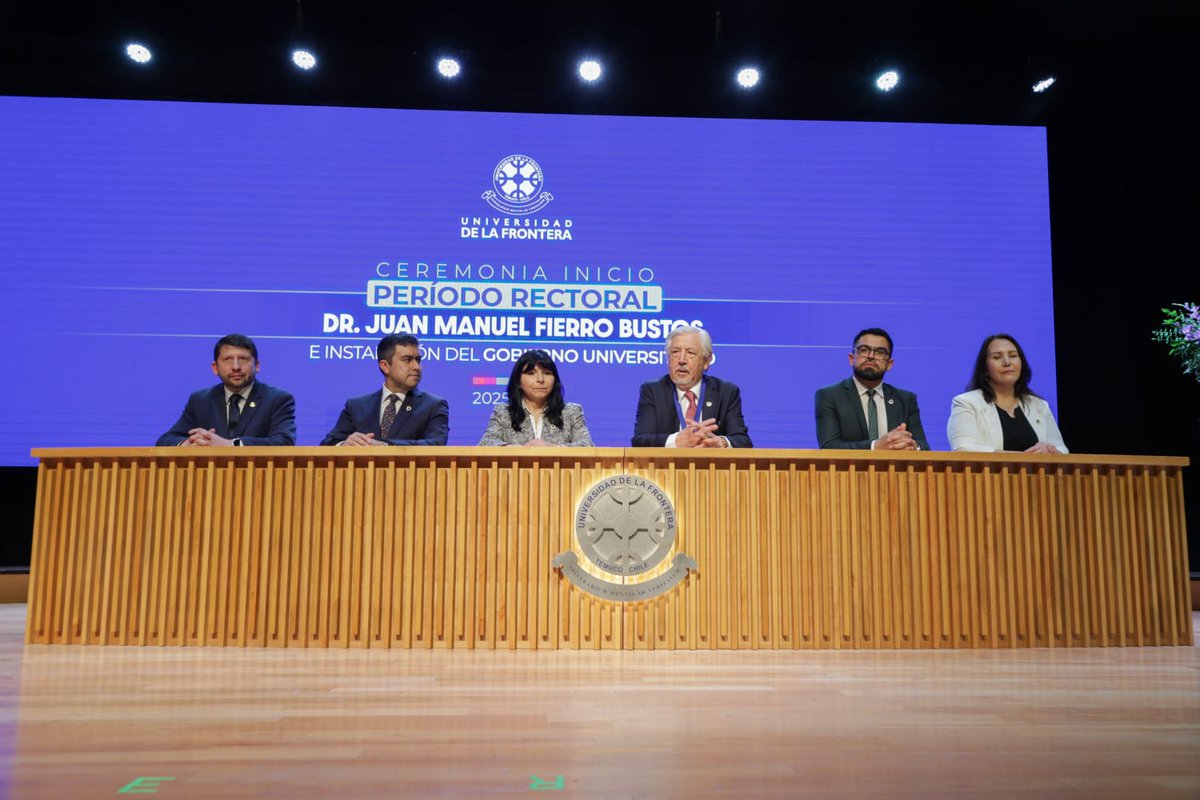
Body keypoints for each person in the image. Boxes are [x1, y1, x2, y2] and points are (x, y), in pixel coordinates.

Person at [156, 333, 296, 447]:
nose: (236, 366)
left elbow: (284, 442)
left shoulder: (277, 399)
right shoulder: (201, 400)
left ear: (257, 365)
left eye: (243, 359)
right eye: (228, 359)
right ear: (215, 368)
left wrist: (232, 444)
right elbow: (166, 441)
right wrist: (188, 444)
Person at [632, 325, 752, 448]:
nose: (681, 360)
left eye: (690, 353)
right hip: (666, 466)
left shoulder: (726, 392)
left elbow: (743, 441)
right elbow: (640, 441)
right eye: (675, 352)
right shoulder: (653, 391)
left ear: (706, 361)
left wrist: (721, 443)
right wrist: (676, 441)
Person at [320, 333, 449, 446]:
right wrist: (345, 444)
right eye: (407, 360)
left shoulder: (433, 405)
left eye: (418, 360)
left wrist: (385, 446)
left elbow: (436, 444)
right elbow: (328, 444)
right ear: (385, 366)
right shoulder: (356, 406)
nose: (416, 367)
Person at [947, 333, 1067, 453]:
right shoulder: (967, 402)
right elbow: (963, 448)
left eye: (1013, 355)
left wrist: (1051, 451)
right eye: (997, 357)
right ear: (985, 369)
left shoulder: (1039, 405)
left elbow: (1063, 450)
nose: (1007, 362)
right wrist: (1022, 458)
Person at [814, 327, 929, 450]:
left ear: (889, 364)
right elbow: (829, 447)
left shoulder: (906, 400)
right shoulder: (829, 396)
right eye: (864, 350)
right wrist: (875, 446)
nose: (871, 356)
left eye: (880, 352)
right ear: (851, 358)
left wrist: (913, 446)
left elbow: (924, 447)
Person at [477, 349, 593, 447]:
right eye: (531, 373)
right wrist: (522, 451)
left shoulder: (570, 412)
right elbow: (485, 444)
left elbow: (587, 446)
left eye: (547, 373)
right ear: (518, 382)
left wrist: (551, 448)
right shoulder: (504, 413)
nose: (540, 379)